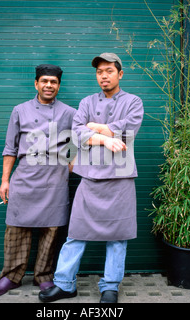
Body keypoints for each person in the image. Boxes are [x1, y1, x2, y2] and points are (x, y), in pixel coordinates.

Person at [39, 53, 144, 303]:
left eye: (109, 70)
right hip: (90, 178)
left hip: (120, 179)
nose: (103, 75)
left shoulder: (133, 102)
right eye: (99, 71)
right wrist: (107, 137)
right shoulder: (86, 102)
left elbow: (128, 130)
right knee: (76, 233)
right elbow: (76, 133)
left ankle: (110, 287)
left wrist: (94, 127)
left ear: (120, 74)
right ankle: (65, 284)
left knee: (118, 237)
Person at [0, 64, 76, 296]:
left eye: (54, 82)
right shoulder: (20, 110)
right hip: (25, 177)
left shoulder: (69, 113)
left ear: (59, 85)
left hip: (55, 180)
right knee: (16, 229)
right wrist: (4, 181)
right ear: (36, 83)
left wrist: (68, 167)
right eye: (44, 81)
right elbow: (10, 148)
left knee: (51, 230)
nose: (49, 85)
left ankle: (44, 277)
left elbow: (77, 146)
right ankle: (11, 277)